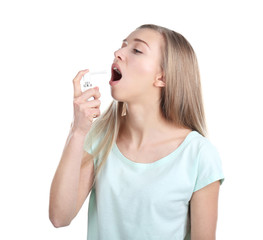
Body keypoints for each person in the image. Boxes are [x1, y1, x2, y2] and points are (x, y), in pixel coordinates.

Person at [49, 24, 224, 240]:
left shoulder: (199, 155)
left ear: (162, 78)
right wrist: (77, 131)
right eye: (123, 46)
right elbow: (60, 217)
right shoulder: (101, 138)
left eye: (137, 50)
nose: (118, 53)